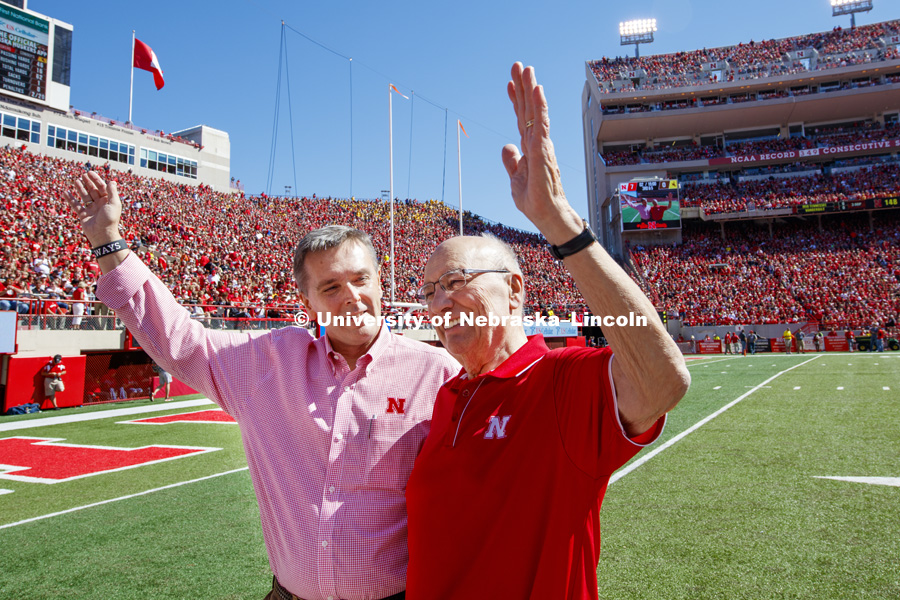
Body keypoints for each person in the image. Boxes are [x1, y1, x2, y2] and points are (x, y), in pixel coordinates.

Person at [66, 172, 459, 600]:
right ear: (306, 301)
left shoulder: (437, 373)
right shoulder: (266, 364)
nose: (351, 296)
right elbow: (178, 338)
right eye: (330, 286)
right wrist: (108, 241)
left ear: (382, 283)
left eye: (361, 279)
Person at [404, 63, 691, 600]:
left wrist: (557, 219)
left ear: (514, 290)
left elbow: (663, 381)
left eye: (458, 280)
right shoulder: (447, 396)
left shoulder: (561, 381)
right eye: (430, 291)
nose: (442, 300)